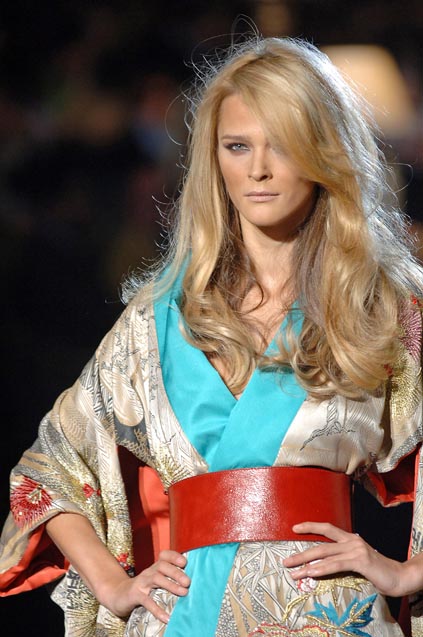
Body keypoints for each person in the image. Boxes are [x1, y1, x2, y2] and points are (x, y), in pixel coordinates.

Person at [1, 35, 423, 637]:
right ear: (213, 159)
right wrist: (113, 585)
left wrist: (406, 572)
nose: (257, 169)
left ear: (322, 152)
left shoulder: (380, 303)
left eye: (282, 145)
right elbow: (50, 465)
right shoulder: (157, 319)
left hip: (328, 617)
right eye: (237, 146)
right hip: (182, 615)